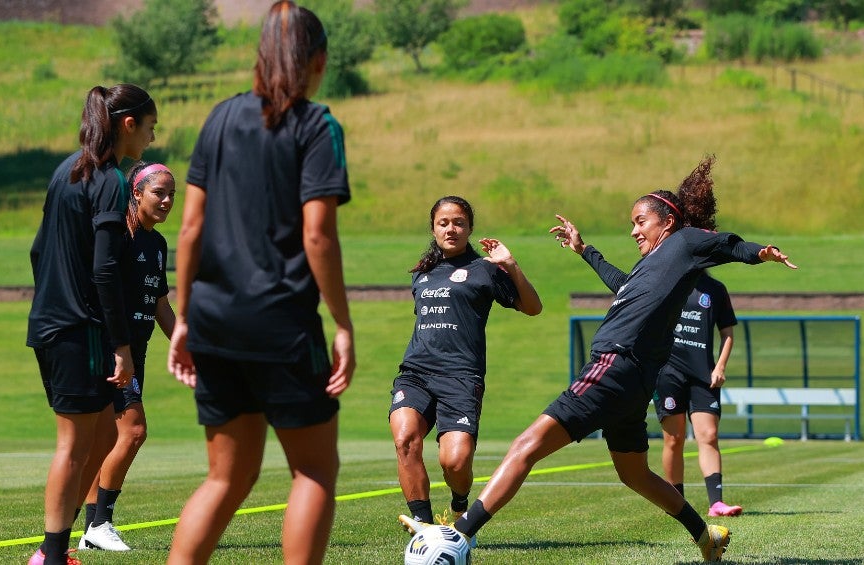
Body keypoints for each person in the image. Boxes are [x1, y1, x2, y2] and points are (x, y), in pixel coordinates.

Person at [400, 155, 797, 562]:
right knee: (634, 473)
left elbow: (722, 242)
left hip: (614, 366)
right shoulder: (654, 268)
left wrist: (758, 252)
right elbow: (620, 283)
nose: (634, 230)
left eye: (640, 221)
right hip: (635, 381)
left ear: (668, 222)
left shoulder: (684, 242)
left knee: (526, 446)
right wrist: (584, 250)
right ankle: (705, 535)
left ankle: (456, 535)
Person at [165, 2, 354, 564]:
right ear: (317, 60)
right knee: (314, 470)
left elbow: (191, 227)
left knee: (226, 477)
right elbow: (317, 235)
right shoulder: (318, 126)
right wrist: (342, 324)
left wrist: (182, 317)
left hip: (214, 322)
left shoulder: (219, 118)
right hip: (282, 325)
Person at [26, 84, 158, 565]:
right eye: (149, 127)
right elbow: (105, 269)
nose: (151, 137)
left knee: (103, 435)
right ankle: (53, 554)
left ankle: (54, 548)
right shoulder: (110, 180)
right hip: (79, 329)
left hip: (56, 323)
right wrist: (121, 344)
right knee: (75, 446)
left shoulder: (65, 171)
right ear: (128, 124)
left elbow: (38, 251)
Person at [391, 196, 543, 532]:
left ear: (469, 228)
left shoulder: (485, 270)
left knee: (455, 462)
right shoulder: (423, 273)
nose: (451, 228)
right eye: (443, 223)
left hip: (460, 377)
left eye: (458, 222)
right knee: (405, 439)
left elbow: (534, 307)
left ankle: (460, 503)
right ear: (433, 228)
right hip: (415, 373)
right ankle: (423, 523)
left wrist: (511, 265)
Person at [78, 162, 177, 551]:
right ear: (136, 193)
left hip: (138, 350)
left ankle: (90, 532)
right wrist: (117, 349)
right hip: (110, 350)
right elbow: (99, 289)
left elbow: (160, 307)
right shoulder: (117, 235)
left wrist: (187, 348)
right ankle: (100, 522)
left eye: (172, 194)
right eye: (159, 193)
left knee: (106, 441)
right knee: (134, 432)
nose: (168, 201)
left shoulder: (158, 244)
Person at [654, 272, 744, 518]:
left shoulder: (715, 288)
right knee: (674, 439)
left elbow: (727, 333)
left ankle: (716, 504)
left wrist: (720, 367)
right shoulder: (665, 280)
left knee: (709, 435)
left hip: (704, 374)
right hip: (668, 372)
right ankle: (676, 503)